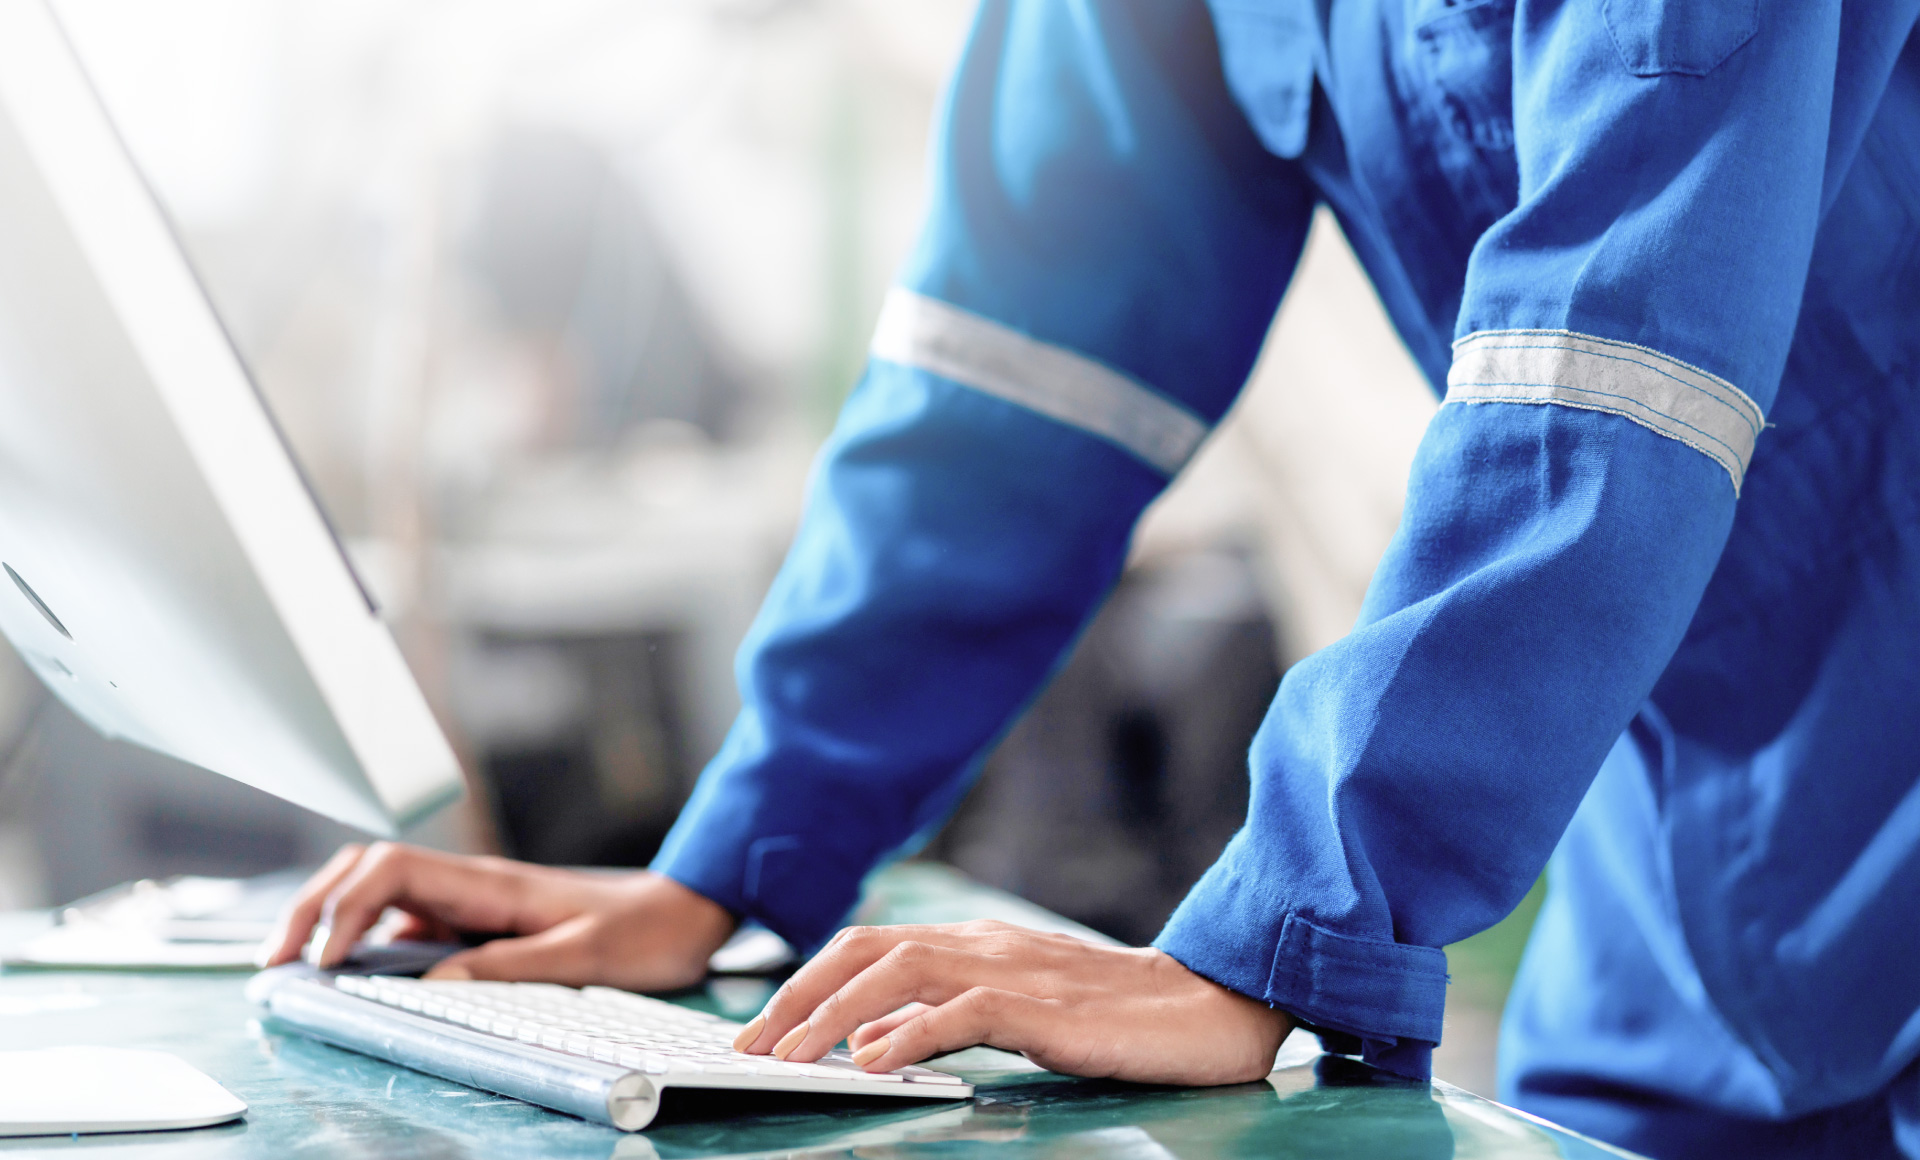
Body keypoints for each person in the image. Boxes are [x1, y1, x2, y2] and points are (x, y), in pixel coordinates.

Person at [265, 2, 1920, 1155]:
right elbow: (1010, 381)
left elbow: (1623, 358)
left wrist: (1292, 928)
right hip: (1684, 851)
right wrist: (738, 858)